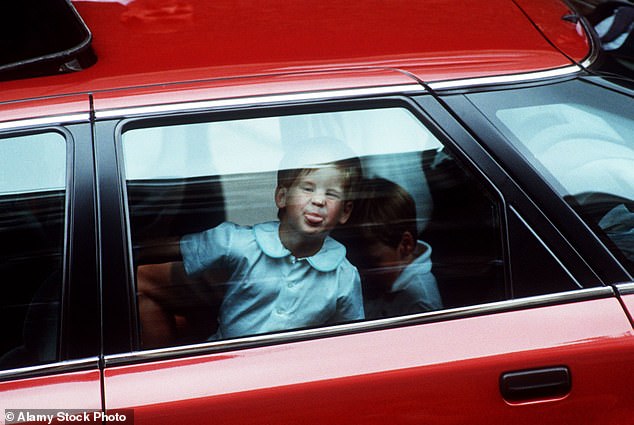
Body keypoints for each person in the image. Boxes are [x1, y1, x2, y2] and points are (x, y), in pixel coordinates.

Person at [137, 153, 365, 346]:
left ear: (345, 212)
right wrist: (129, 251)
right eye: (308, 188)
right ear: (282, 197)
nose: (319, 200)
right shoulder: (241, 243)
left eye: (331, 194)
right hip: (224, 366)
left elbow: (350, 344)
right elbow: (166, 249)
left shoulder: (344, 277)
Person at [345, 177, 442, 319]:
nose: (362, 273)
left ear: (405, 245)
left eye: (372, 262)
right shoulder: (380, 280)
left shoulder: (420, 302)